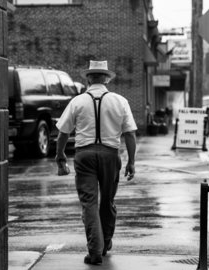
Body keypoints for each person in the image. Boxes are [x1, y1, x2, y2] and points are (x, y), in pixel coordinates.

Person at [55, 60, 137, 265]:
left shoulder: (78, 101)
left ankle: (94, 251)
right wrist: (131, 162)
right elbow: (130, 135)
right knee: (107, 201)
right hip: (110, 155)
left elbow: (63, 133)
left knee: (89, 203)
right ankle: (105, 242)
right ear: (107, 79)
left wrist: (60, 155)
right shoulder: (120, 101)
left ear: (89, 78)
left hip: (84, 156)